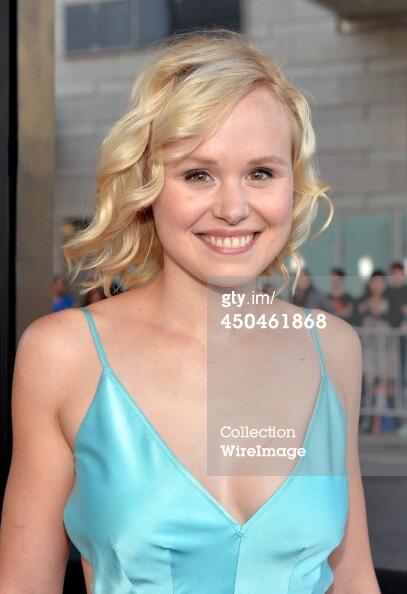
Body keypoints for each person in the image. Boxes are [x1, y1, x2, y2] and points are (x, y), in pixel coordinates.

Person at [0, 29, 380, 594]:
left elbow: (352, 578)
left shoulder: (333, 348)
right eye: (198, 174)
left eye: (261, 172)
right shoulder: (63, 355)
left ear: (293, 186)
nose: (233, 208)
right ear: (148, 186)